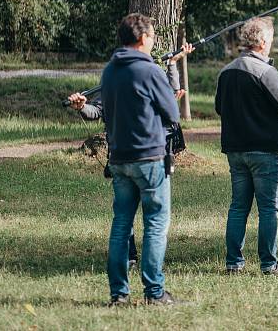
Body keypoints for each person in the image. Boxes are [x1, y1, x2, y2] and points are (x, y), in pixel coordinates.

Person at [67, 43, 194, 269]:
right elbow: (95, 111)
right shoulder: (124, 80)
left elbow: (170, 94)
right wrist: (81, 107)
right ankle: (144, 271)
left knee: (125, 218)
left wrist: (173, 65)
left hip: (123, 158)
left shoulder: (119, 78)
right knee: (152, 219)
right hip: (145, 159)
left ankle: (126, 275)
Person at [215, 17, 278, 276]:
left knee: (238, 206)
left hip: (235, 150)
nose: (271, 44)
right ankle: (268, 264)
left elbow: (219, 107)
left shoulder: (226, 71)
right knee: (268, 208)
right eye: (270, 40)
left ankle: (233, 262)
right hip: (264, 150)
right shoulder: (265, 71)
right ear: (262, 42)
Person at [101, 13, 181, 306]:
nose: (153, 41)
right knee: (156, 222)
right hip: (149, 157)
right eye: (152, 37)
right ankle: (154, 292)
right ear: (143, 38)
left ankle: (118, 294)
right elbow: (172, 114)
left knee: (121, 223)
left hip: (119, 157)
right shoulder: (149, 71)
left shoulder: (109, 71)